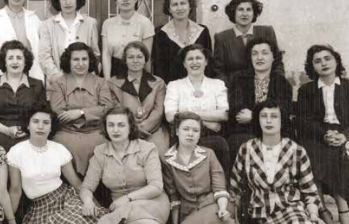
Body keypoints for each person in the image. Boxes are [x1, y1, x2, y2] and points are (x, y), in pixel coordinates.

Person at [231, 100, 349, 224]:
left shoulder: (296, 151)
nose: (268, 121)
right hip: (262, 213)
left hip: (292, 208)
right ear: (257, 120)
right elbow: (235, 187)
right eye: (264, 116)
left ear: (282, 120)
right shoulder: (247, 149)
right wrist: (234, 219)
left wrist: (313, 215)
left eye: (274, 116)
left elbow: (310, 191)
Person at [79, 107, 196, 224]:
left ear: (130, 127)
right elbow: (87, 187)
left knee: (127, 211)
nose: (115, 130)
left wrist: (127, 199)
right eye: (111, 125)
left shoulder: (147, 148)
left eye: (121, 125)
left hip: (153, 202)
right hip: (121, 210)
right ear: (105, 128)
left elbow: (156, 186)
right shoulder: (100, 152)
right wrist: (88, 201)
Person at [162, 112, 261, 224]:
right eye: (186, 129)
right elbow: (173, 195)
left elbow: (219, 188)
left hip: (215, 203)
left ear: (200, 134)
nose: (190, 134)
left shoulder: (208, 154)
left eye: (195, 130)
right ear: (177, 131)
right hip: (189, 210)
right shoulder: (167, 159)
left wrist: (222, 209)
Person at [7, 102, 101, 224]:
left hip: (66, 198)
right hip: (41, 208)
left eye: (46, 123)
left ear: (51, 127)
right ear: (28, 125)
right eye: (35, 121)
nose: (40, 126)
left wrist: (94, 204)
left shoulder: (59, 149)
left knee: (92, 216)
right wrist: (9, 221)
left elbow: (76, 183)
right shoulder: (16, 151)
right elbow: (15, 190)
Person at [296, 45, 349, 224]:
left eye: (327, 58)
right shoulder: (306, 90)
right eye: (317, 61)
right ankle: (329, 211)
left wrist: (345, 136)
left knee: (346, 155)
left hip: (345, 134)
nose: (323, 63)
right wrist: (323, 135)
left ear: (336, 61)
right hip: (318, 135)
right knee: (314, 154)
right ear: (312, 66)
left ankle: (339, 208)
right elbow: (303, 120)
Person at [48, 42, 113, 176]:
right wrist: (94, 112)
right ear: (68, 61)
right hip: (67, 132)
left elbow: (107, 108)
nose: (81, 63)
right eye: (76, 59)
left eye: (84, 59)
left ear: (90, 61)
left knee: (105, 147)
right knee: (59, 147)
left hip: (96, 132)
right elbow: (58, 112)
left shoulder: (101, 82)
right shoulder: (58, 84)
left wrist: (81, 113)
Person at [164, 44, 231, 173]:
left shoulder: (217, 84)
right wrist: (206, 123)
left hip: (212, 135)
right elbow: (170, 116)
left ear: (206, 61)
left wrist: (187, 113)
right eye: (190, 59)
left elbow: (224, 114)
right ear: (184, 63)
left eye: (198, 58)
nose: (194, 62)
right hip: (183, 136)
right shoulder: (174, 85)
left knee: (220, 145)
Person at [227, 37, 293, 160]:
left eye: (264, 53)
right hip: (244, 131)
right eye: (254, 54)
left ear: (274, 57)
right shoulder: (238, 78)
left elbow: (283, 111)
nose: (259, 57)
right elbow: (237, 109)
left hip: (275, 131)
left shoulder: (282, 82)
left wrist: (253, 116)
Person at [0, 40, 47, 151]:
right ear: (4, 61)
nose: (15, 62)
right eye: (10, 58)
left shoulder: (37, 85)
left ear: (25, 62)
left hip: (29, 135)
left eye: (19, 58)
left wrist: (27, 129)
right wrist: (7, 130)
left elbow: (43, 114)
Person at [107, 41, 169, 157]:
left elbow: (158, 111)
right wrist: (132, 129)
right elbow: (116, 110)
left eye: (139, 57)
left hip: (152, 130)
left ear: (145, 59)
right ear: (125, 60)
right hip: (124, 130)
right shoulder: (112, 83)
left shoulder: (158, 83)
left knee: (160, 155)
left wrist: (144, 127)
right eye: (131, 57)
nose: (135, 61)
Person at [213, 0, 283, 85]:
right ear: (233, 12)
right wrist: (232, 88)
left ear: (254, 13)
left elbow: (277, 63)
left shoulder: (266, 32)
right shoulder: (222, 38)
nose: (245, 14)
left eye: (249, 9)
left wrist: (274, 85)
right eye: (240, 9)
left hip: (265, 86)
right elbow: (218, 71)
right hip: (234, 88)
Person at [39, 0, 100, 82]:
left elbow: (95, 55)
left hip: (86, 81)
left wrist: (88, 77)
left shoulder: (90, 23)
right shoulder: (47, 25)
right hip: (57, 81)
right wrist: (57, 76)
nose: (68, 2)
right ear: (58, 1)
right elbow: (44, 56)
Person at [151, 0, 213, 83]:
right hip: (171, 86)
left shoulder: (202, 31)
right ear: (169, 9)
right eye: (175, 4)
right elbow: (158, 67)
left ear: (190, 6)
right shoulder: (160, 33)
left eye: (183, 3)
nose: (179, 8)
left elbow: (209, 63)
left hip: (199, 86)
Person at [101, 0, 155, 79]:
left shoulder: (145, 23)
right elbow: (106, 54)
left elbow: (147, 57)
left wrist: (146, 80)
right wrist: (107, 79)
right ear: (116, 1)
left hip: (137, 72)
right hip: (113, 71)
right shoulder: (107, 24)